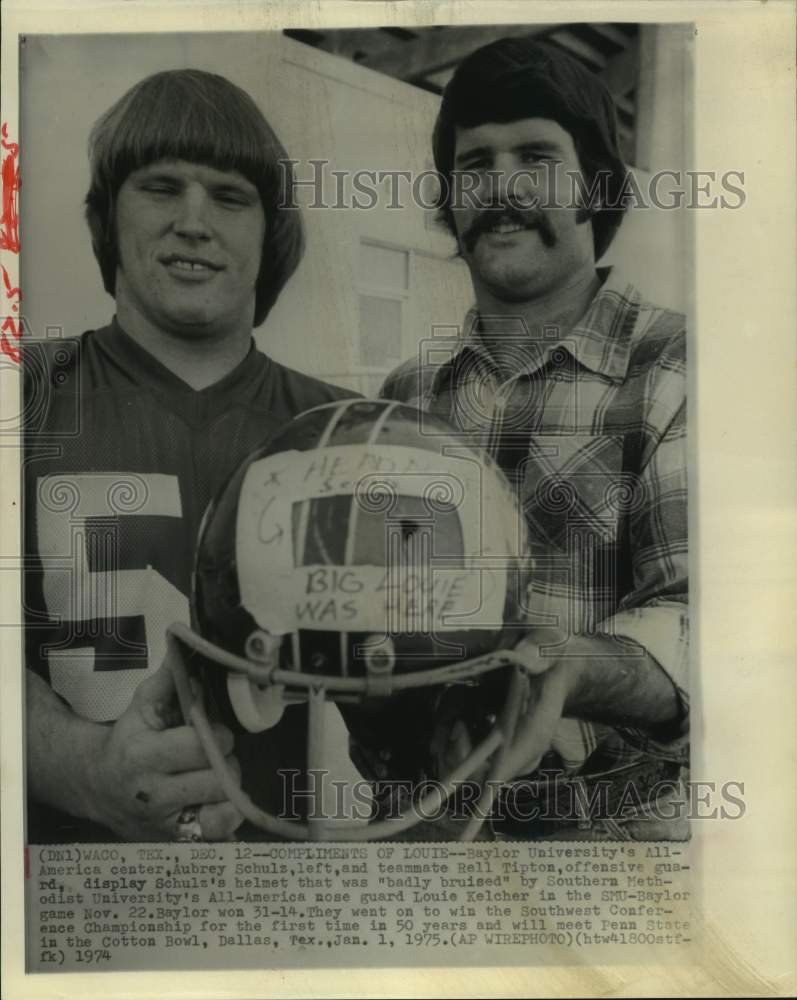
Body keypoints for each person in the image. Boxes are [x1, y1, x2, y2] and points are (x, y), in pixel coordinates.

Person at [24, 69, 355, 843]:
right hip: (66, 903)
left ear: (268, 232)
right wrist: (80, 765)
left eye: (230, 196)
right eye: (161, 187)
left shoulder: (343, 430)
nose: (194, 222)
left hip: (284, 913)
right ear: (106, 216)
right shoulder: (20, 394)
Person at [375, 37, 689, 838]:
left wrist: (564, 666)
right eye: (473, 163)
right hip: (419, 852)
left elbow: (702, 630)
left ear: (595, 186)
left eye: (536, 157)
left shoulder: (676, 370)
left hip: (606, 870)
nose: (502, 187)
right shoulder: (405, 397)